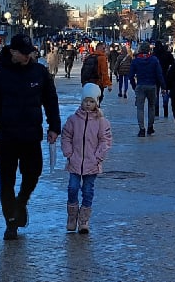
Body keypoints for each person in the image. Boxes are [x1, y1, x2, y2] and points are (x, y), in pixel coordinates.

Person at [0, 34, 60, 241]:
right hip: (7, 136)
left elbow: (51, 100)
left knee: (33, 173)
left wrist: (54, 127)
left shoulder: (39, 72)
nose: (28, 56)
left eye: (30, 52)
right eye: (24, 52)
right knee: (7, 180)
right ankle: (11, 223)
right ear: (13, 52)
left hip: (32, 135)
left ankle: (21, 202)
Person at [59, 83, 113, 235]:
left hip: (92, 163)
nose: (88, 104)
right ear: (81, 101)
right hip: (75, 161)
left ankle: (84, 220)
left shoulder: (102, 122)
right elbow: (66, 136)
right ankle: (72, 216)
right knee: (72, 188)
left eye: (91, 101)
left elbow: (106, 140)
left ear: (96, 102)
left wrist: (98, 157)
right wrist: (68, 153)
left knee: (88, 191)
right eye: (85, 101)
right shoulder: (73, 120)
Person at [127, 46, 164, 137]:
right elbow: (159, 74)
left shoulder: (136, 61)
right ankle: (150, 127)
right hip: (152, 86)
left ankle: (142, 129)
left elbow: (130, 75)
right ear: (149, 50)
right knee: (152, 107)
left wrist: (134, 86)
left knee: (140, 108)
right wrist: (163, 86)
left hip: (140, 85)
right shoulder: (154, 60)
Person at [152, 40, 174, 118]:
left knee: (156, 93)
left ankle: (156, 111)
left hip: (155, 77)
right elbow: (173, 64)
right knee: (165, 91)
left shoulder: (154, 55)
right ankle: (165, 109)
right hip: (165, 76)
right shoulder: (167, 54)